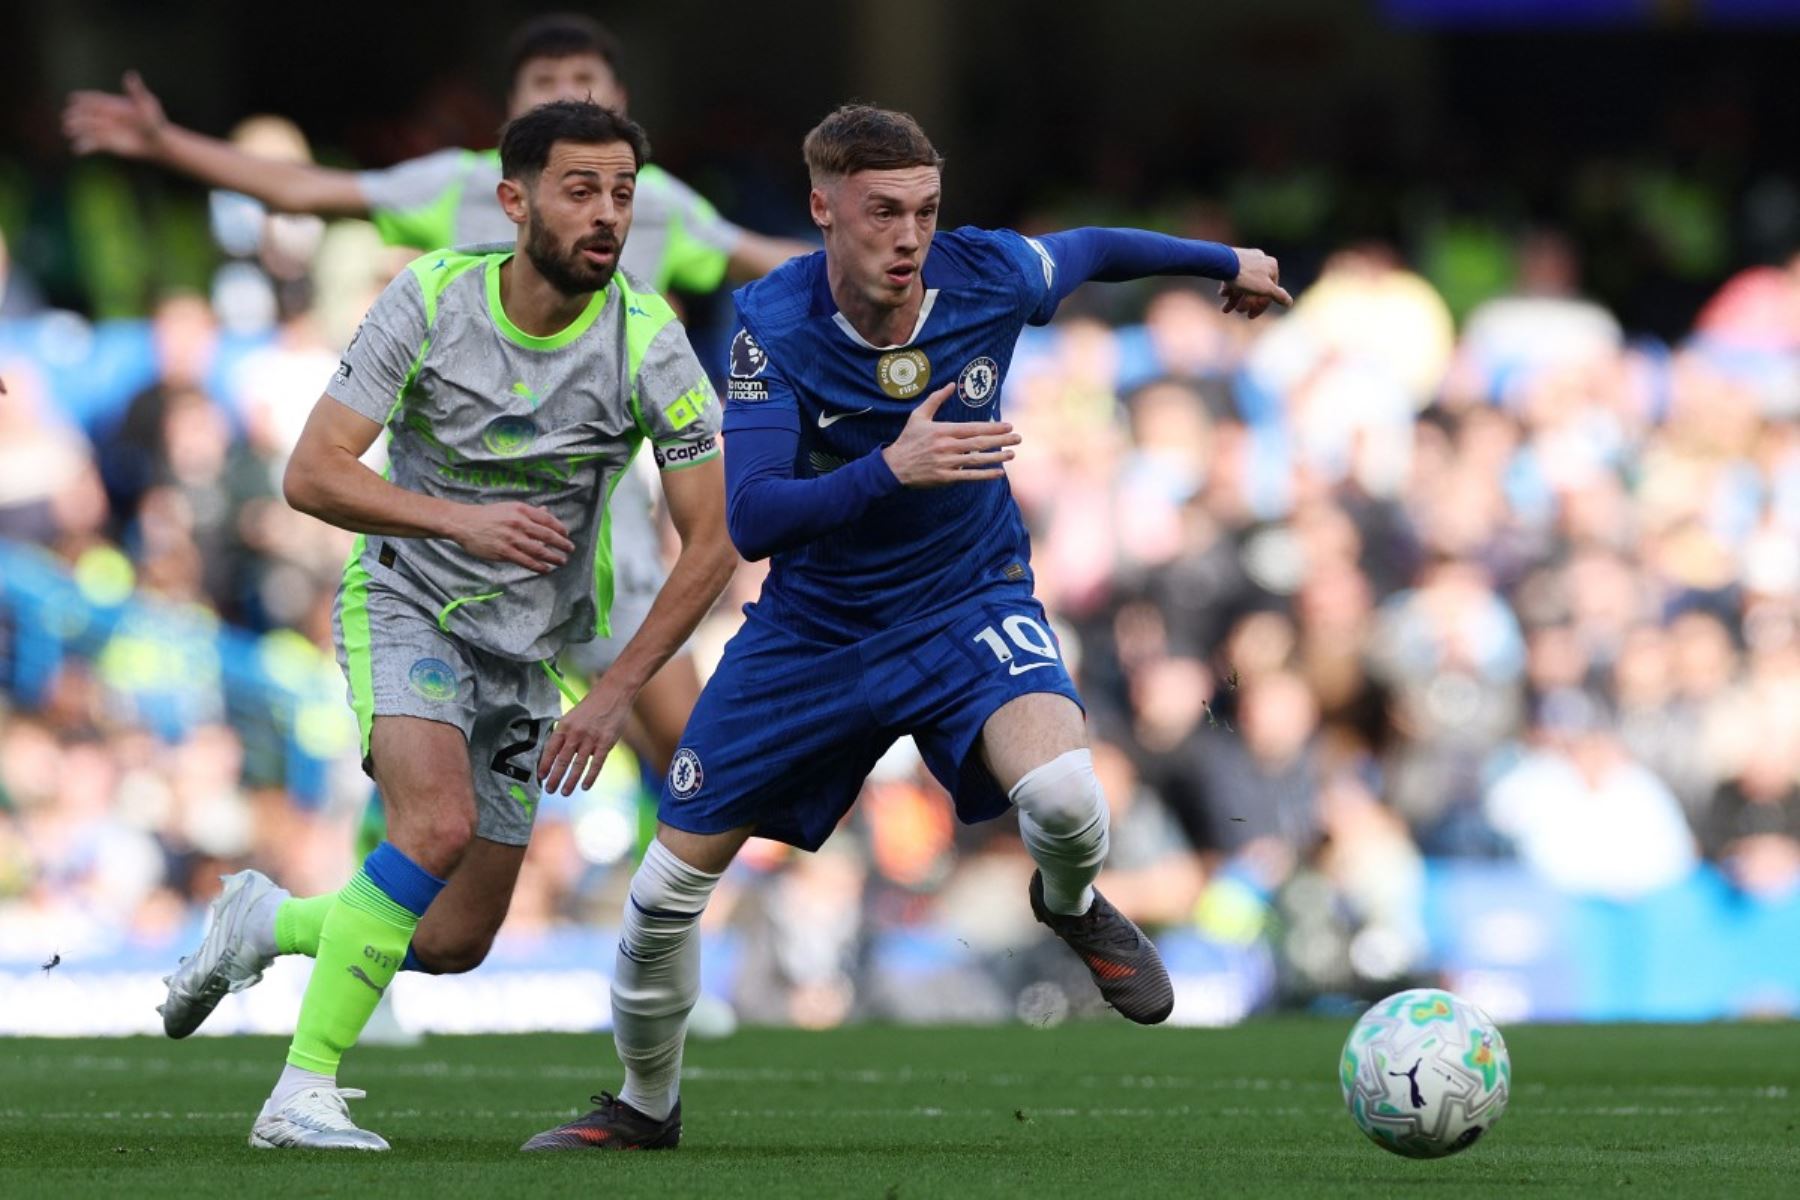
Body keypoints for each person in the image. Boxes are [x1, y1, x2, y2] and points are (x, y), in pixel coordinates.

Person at [519, 103, 1291, 1152]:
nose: (910, 236)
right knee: (664, 895)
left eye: (925, 210)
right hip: (815, 635)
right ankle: (644, 1108)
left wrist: (1223, 260)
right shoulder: (772, 324)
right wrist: (893, 467)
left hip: (966, 603)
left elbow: (1094, 250)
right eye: (883, 211)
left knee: (1068, 798)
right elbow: (753, 517)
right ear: (822, 209)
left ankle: (1070, 903)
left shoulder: (987, 275)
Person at [154, 100, 735, 1151]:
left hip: (532, 649)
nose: (607, 215)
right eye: (580, 191)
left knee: (457, 940)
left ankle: (267, 922)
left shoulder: (651, 342)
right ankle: (301, 1092)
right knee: (433, 826)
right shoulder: (428, 298)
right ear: (514, 201)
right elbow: (311, 473)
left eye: (621, 194)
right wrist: (461, 520)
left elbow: (714, 540)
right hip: (407, 599)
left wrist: (614, 693)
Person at [62, 12, 807, 775]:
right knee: (434, 788)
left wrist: (878, 256)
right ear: (510, 122)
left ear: (618, 102)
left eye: (583, 84)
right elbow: (306, 189)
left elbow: (774, 263)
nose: (565, 98)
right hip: (457, 546)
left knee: (692, 760)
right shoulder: (460, 190)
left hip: (606, 543)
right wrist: (166, 144)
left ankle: (642, 858)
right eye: (544, 85)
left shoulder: (655, 207)